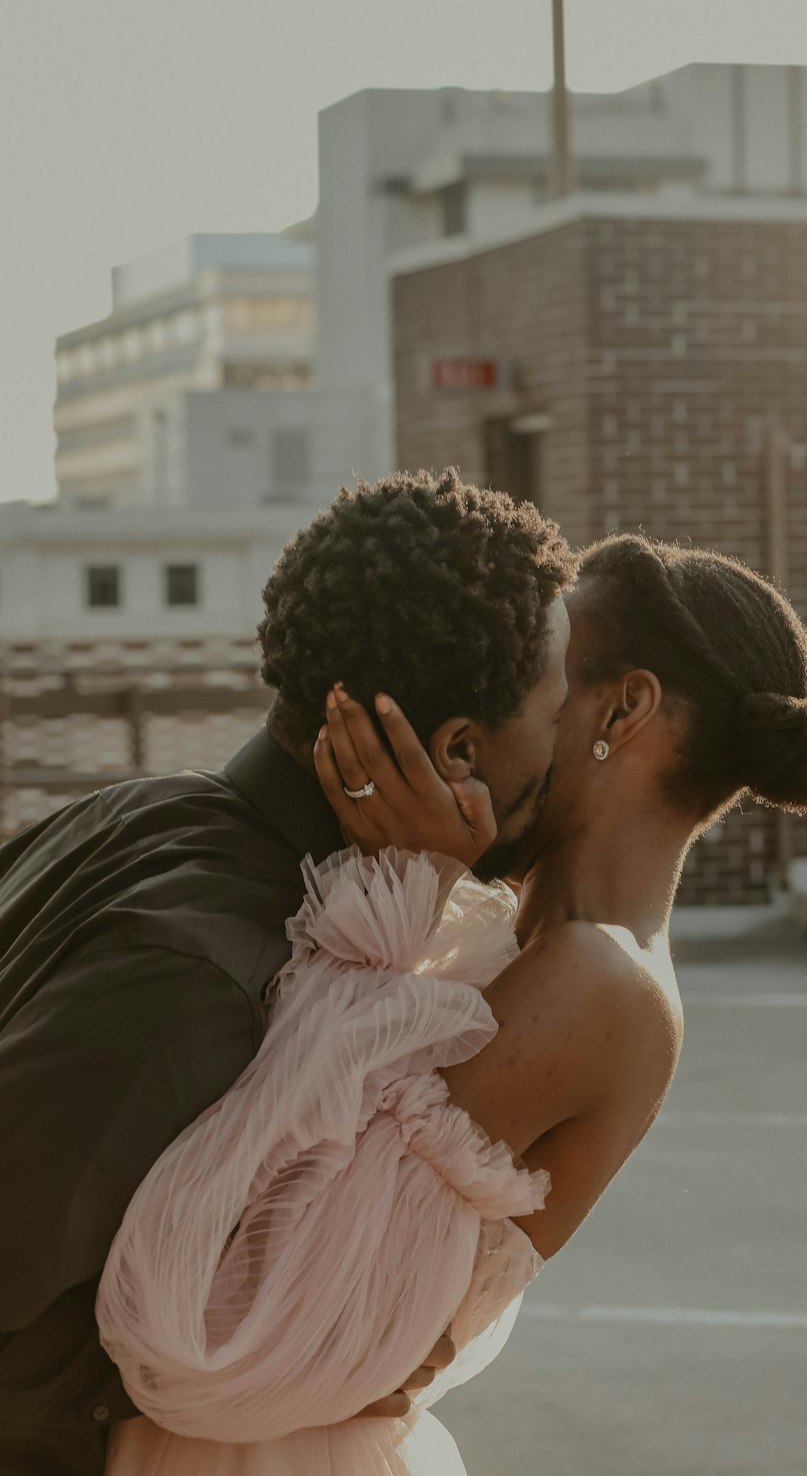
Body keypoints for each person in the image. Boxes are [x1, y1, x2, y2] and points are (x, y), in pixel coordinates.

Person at [93, 532, 807, 1474]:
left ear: (625, 706)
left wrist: (402, 879)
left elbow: (227, 1324)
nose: (496, 699)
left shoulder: (594, 979)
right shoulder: (511, 929)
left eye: (543, 672)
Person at [0, 470, 575, 1476]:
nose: (569, 748)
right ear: (455, 749)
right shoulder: (211, 969)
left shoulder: (139, 808)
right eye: (554, 712)